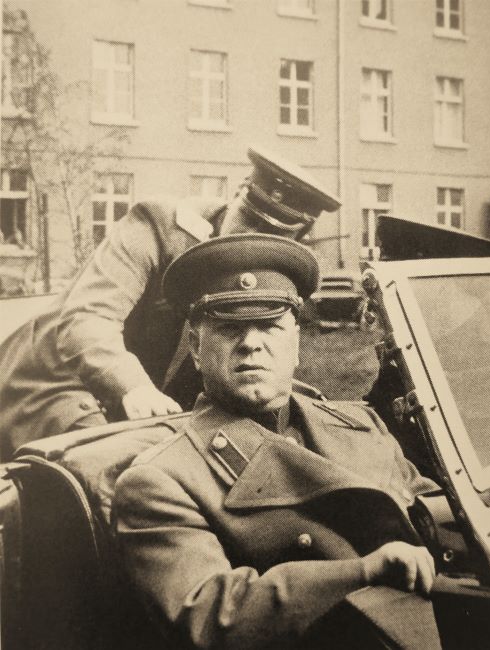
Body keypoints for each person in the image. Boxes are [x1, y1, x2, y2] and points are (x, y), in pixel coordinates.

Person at [114, 234, 441, 650]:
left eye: (270, 325)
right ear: (196, 348)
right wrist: (364, 572)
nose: (251, 343)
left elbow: (433, 515)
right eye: (229, 328)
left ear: (296, 343)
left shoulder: (361, 423)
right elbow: (211, 618)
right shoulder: (160, 480)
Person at [0, 146, 339, 461]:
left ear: (296, 238)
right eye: (248, 218)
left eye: (271, 234)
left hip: (143, 405)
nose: (248, 236)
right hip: (55, 383)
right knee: (113, 473)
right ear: (236, 195)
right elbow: (87, 318)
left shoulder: (271, 271)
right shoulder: (160, 225)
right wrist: (133, 387)